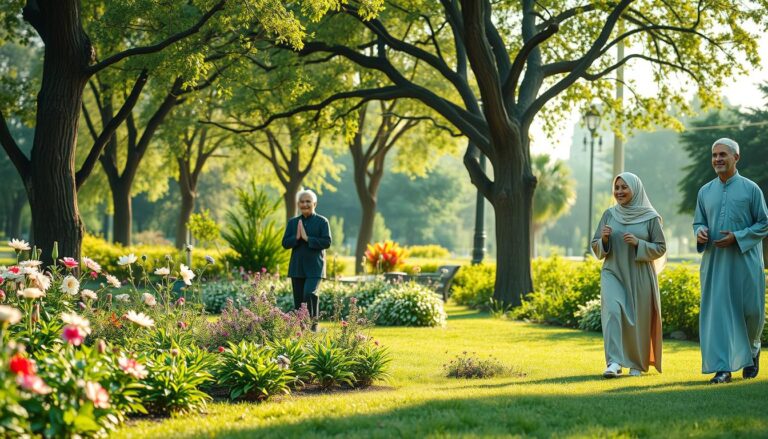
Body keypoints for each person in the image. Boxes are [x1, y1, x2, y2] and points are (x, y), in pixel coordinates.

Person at [693, 137, 768, 384]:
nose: (718, 159)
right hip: (715, 264)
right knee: (720, 314)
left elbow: (764, 222)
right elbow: (698, 221)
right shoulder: (705, 191)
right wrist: (700, 231)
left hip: (746, 262)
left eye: (723, 155)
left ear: (736, 157)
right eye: (714, 155)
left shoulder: (751, 189)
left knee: (751, 312)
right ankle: (722, 368)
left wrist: (738, 237)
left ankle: (752, 350)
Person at [591, 172, 667, 378]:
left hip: (640, 274)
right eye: (616, 188)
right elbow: (595, 245)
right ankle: (614, 362)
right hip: (613, 271)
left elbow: (660, 248)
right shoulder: (609, 214)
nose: (619, 192)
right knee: (613, 313)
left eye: (624, 187)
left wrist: (638, 244)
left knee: (638, 319)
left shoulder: (651, 217)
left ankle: (636, 362)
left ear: (635, 189)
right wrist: (604, 240)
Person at [281, 189, 332, 330]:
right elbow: (285, 243)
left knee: (310, 293)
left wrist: (308, 238)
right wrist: (296, 238)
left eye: (308, 201)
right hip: (297, 268)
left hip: (315, 268)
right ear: (298, 204)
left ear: (314, 203)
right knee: (299, 302)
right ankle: (301, 331)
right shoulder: (293, 223)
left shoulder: (322, 222)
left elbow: (327, 242)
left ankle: (312, 328)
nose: (305, 204)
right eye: (302, 202)